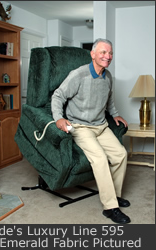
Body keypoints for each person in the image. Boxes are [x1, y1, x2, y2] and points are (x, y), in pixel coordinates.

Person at [51, 38, 131, 224]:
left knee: (120, 154)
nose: (108, 56)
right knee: (100, 159)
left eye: (110, 53)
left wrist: (116, 114)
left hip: (101, 126)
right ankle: (110, 208)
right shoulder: (78, 75)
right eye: (103, 52)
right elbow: (58, 96)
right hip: (80, 127)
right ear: (92, 54)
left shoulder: (108, 76)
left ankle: (115, 195)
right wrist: (59, 118)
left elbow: (109, 99)